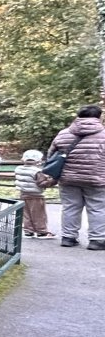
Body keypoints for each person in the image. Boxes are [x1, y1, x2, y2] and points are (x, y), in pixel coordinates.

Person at [48, 104, 105, 249]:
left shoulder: (63, 133)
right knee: (97, 208)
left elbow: (51, 155)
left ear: (78, 116)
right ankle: (97, 240)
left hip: (68, 178)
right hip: (97, 179)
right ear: (99, 117)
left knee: (70, 207)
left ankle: (68, 237)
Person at [14, 150, 53, 238]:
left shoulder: (18, 169)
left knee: (26, 214)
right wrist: (51, 181)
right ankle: (41, 231)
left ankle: (28, 231)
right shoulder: (37, 171)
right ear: (39, 161)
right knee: (39, 214)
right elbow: (41, 183)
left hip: (23, 194)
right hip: (36, 196)